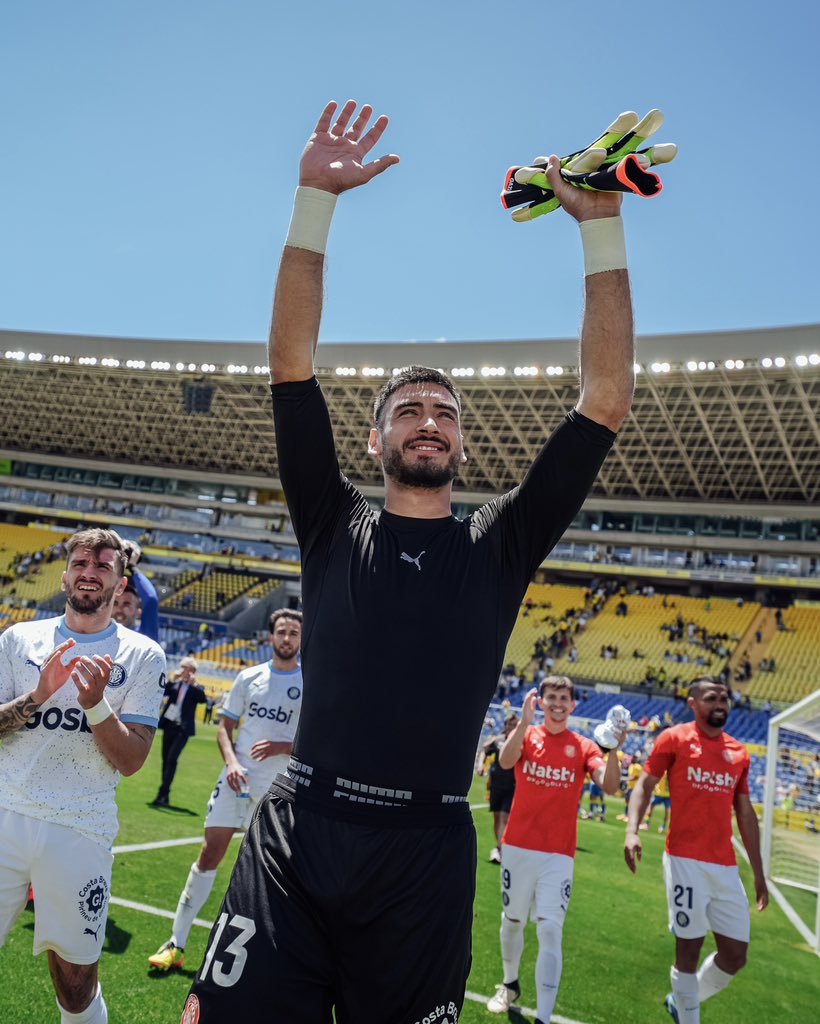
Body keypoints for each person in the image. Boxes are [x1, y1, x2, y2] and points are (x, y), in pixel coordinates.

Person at [182, 97, 635, 1024]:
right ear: (378, 434)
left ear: (462, 445)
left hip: (425, 853)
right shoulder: (329, 520)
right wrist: (314, 201)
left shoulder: (500, 543)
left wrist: (602, 227)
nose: (430, 421)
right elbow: (290, 363)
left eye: (446, 413)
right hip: (300, 831)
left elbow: (605, 399)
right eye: (410, 410)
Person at [0, 528, 165, 1024]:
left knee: (74, 987)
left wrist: (95, 705)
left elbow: (132, 760)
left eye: (102, 567)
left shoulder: (141, 655)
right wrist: (37, 698)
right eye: (80, 565)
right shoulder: (18, 639)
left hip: (80, 827)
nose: (89, 573)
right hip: (6, 814)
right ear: (66, 572)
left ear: (119, 582)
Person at [148, 609, 303, 972]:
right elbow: (225, 728)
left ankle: (264, 955)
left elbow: (318, 741)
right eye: (281, 631)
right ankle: (176, 942)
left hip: (277, 789)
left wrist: (283, 747)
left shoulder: (309, 683)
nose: (286, 638)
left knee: (269, 871)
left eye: (293, 633)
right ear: (270, 637)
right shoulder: (249, 677)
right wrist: (232, 763)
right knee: (210, 852)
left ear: (300, 639)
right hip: (237, 780)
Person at [624, 676, 768, 1024]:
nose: (720, 704)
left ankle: (681, 1001)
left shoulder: (738, 752)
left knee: (735, 956)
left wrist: (760, 874)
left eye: (724, 698)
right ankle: (690, 1017)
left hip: (725, 867)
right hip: (684, 860)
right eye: (711, 698)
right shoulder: (673, 739)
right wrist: (632, 831)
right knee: (688, 950)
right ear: (692, 704)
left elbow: (745, 813)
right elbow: (645, 784)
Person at [486, 678, 624, 1022]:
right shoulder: (528, 735)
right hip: (517, 847)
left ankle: (544, 1017)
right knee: (513, 921)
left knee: (549, 928)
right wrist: (524, 722)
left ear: (573, 705)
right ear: (541, 702)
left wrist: (615, 749)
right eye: (552, 698)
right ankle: (509, 984)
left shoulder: (584, 745)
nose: (558, 703)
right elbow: (505, 761)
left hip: (558, 854)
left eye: (564, 698)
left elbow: (609, 786)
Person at [151, 655, 208, 807]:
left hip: (182, 729)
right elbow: (162, 691)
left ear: (193, 671)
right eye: (183, 668)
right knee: (165, 760)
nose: (184, 671)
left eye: (188, 669)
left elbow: (203, 699)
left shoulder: (196, 688)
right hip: (169, 725)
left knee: (171, 760)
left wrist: (194, 683)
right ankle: (164, 794)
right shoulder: (175, 685)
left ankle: (163, 793)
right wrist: (172, 679)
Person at [480, 711, 519, 864]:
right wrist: (481, 765)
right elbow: (485, 751)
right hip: (496, 784)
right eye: (509, 724)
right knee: (497, 817)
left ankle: (503, 849)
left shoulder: (520, 741)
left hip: (513, 785)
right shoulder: (497, 740)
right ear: (505, 725)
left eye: (514, 724)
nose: (511, 726)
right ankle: (499, 847)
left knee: (505, 817)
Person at [110, 539, 159, 642]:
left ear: (138, 612)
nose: (119, 609)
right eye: (115, 603)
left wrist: (132, 567)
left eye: (126, 604)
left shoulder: (144, 637)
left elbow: (151, 599)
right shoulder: (97, 632)